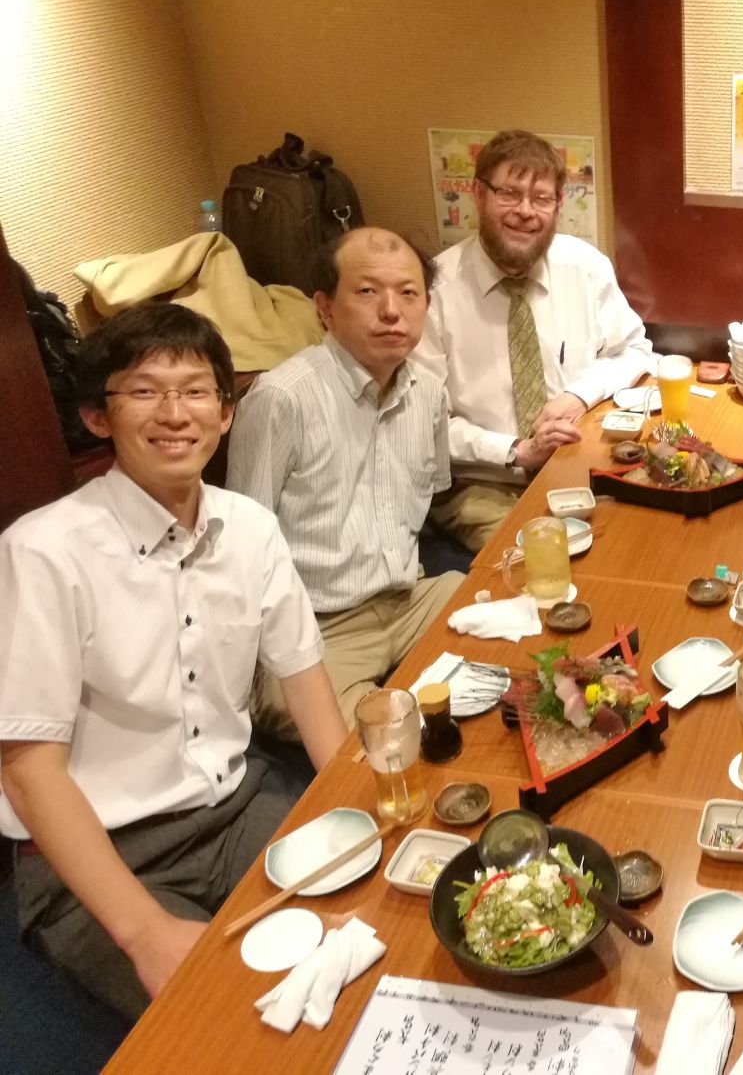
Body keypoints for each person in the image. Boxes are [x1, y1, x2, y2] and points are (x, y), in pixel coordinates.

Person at [0, 303, 345, 1019]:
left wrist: (352, 800)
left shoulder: (251, 529)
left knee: (367, 926)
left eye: (195, 391)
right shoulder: (42, 553)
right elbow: (28, 770)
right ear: (98, 416)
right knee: (226, 1021)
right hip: (100, 854)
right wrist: (145, 934)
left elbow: (305, 680)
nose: (175, 413)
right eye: (145, 390)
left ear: (226, 413)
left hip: (236, 806)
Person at [228, 227, 463, 731]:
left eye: (408, 293)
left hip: (408, 601)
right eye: (367, 291)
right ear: (325, 308)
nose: (391, 311)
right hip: (318, 629)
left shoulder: (428, 393)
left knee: (513, 640)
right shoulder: (281, 399)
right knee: (386, 737)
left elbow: (431, 496)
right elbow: (238, 548)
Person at [414, 130, 653, 551]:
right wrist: (516, 451)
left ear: (559, 204)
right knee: (544, 558)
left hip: (579, 464)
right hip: (484, 483)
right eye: (509, 193)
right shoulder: (435, 291)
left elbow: (634, 350)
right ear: (478, 194)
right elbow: (423, 424)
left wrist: (578, 396)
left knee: (642, 542)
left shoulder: (585, 267)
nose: (525, 211)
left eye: (541, 198)